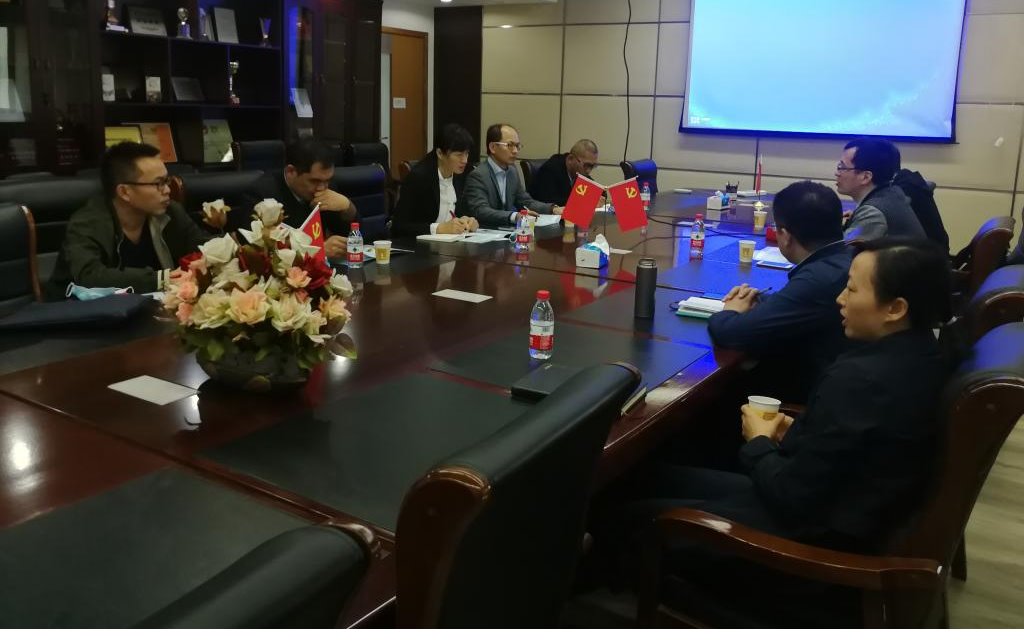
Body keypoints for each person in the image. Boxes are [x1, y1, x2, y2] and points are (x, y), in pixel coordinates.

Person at [600, 237, 952, 619]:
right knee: (645, 476)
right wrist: (790, 434)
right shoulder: (922, 357)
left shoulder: (863, 381)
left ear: (896, 309)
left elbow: (791, 496)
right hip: (824, 506)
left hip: (802, 552)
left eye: (851, 289)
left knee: (629, 516)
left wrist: (760, 440)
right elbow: (845, 451)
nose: (840, 299)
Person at [707, 181, 852, 402]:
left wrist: (730, 310)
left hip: (804, 396)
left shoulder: (818, 277)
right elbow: (800, 303)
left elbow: (729, 334)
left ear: (784, 235)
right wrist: (758, 300)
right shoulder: (845, 258)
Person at [47, 142, 211, 298]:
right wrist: (159, 279)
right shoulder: (87, 223)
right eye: (158, 183)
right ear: (124, 192)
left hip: (153, 307)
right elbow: (89, 277)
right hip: (81, 311)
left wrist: (214, 251)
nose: (167, 190)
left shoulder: (171, 212)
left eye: (166, 181)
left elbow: (205, 248)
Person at [236, 137, 358, 259]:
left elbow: (352, 239)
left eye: (328, 180)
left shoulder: (327, 187)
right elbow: (253, 250)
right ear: (291, 172)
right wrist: (315, 250)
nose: (322, 188)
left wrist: (348, 208)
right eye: (314, 181)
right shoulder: (261, 193)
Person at [463, 123, 564, 229]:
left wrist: (553, 209)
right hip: (483, 232)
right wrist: (514, 216)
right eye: (509, 145)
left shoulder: (512, 171)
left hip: (506, 232)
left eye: (517, 146)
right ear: (492, 147)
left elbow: (525, 202)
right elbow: (481, 210)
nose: (515, 151)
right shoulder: (478, 175)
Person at [391, 123, 480, 237]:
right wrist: (438, 228)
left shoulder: (463, 173)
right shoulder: (419, 177)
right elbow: (398, 226)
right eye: (459, 155)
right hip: (419, 245)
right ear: (440, 153)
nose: (465, 160)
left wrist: (468, 220)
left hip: (452, 242)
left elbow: (461, 211)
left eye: (466, 154)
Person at [835, 138, 925, 240]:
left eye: (842, 167)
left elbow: (842, 247)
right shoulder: (892, 192)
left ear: (866, 177)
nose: (836, 173)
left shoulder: (872, 214)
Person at [529, 139, 599, 205]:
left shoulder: (578, 172)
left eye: (592, 166)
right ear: (570, 159)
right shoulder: (550, 169)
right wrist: (585, 200)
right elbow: (549, 201)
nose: (588, 170)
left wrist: (597, 196)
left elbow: (595, 190)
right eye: (586, 165)